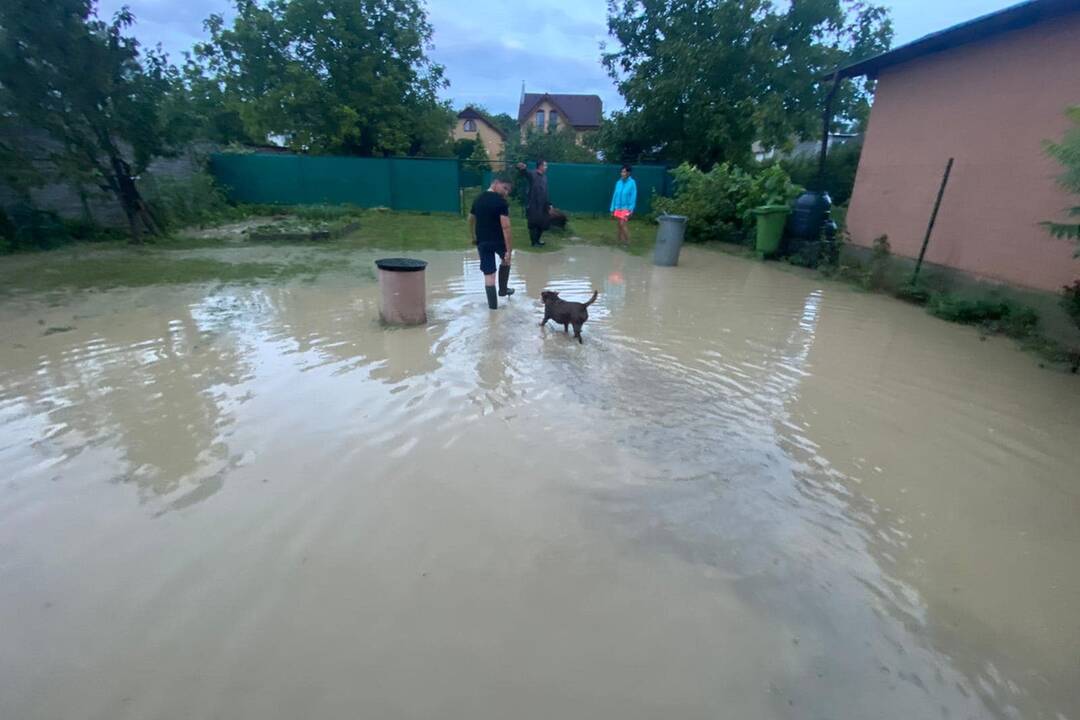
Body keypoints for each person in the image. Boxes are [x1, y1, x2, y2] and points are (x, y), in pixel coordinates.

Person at [469, 177, 514, 309]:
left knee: (489, 274)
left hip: (482, 241)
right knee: (506, 260)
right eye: (505, 188)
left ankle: (493, 309)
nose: (506, 193)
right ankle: (503, 290)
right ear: (495, 183)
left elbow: (471, 219)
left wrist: (473, 236)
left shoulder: (478, 199)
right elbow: (506, 227)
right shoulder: (501, 202)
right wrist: (509, 250)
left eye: (508, 191)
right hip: (499, 240)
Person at [516, 159, 550, 247]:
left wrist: (549, 203)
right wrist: (523, 168)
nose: (546, 167)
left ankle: (538, 240)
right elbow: (525, 173)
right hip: (534, 203)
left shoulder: (544, 177)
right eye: (545, 165)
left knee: (543, 222)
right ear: (540, 166)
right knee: (534, 223)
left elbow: (545, 191)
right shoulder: (532, 174)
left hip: (543, 204)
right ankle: (534, 242)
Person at [610, 164, 637, 245]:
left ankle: (627, 241)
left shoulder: (632, 183)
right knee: (619, 224)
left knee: (622, 224)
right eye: (622, 172)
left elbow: (633, 197)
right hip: (617, 207)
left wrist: (631, 209)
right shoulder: (618, 182)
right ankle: (619, 240)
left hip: (626, 208)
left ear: (628, 173)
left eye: (624, 172)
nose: (622, 173)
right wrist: (612, 208)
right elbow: (615, 195)